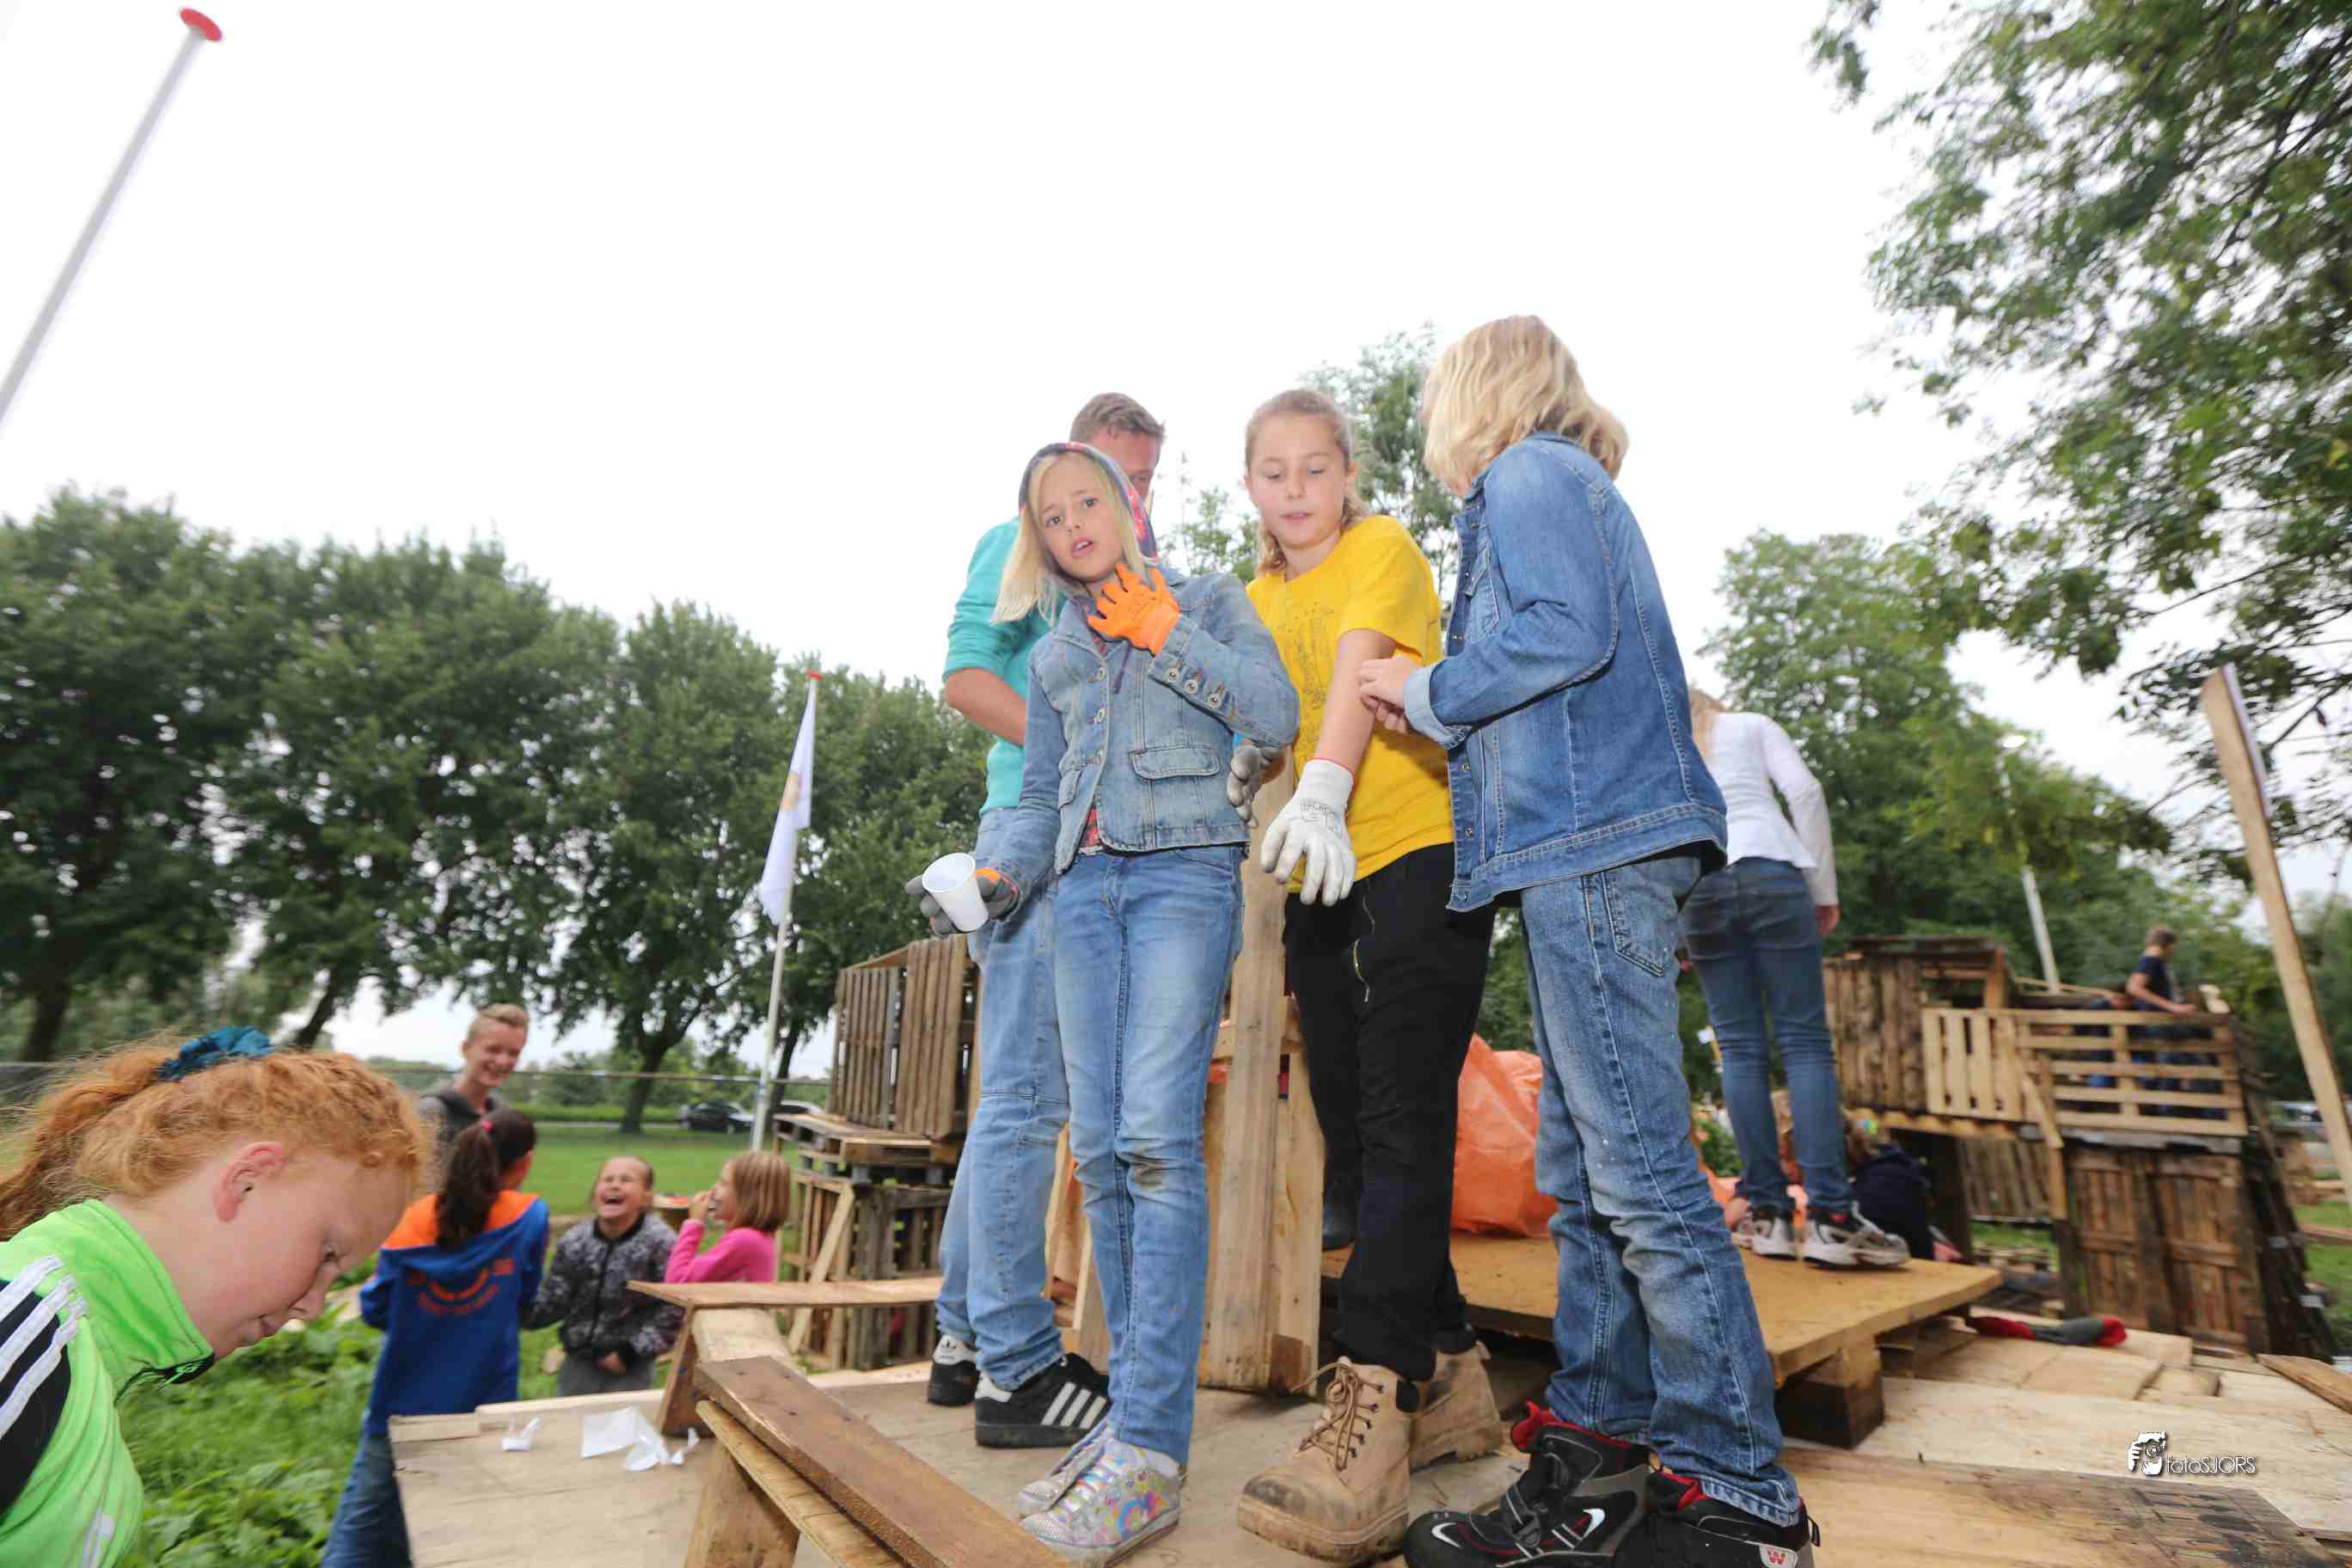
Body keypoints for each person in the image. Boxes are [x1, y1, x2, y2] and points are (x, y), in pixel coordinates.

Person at [1361, 316, 1820, 1567]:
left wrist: (1425, 689)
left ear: (1478, 394)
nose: (1432, 429)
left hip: (1596, 842)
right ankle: (1598, 1460)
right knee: (1581, 1170)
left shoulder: (1530, 475)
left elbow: (1565, 631)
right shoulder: (1561, 484)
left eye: (1434, 402)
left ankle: (1742, 1495)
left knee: (1639, 1176)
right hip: (1584, 845)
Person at [913, 440, 1296, 1564]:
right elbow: (1039, 800)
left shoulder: (1208, 599)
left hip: (1182, 879)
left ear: (1128, 507)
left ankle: (1154, 1451)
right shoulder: (1056, 654)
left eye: (1090, 500)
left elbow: (1274, 714)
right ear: (1039, 541)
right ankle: (1131, 1425)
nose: (1075, 522)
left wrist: (1164, 631)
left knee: (1160, 1148)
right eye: (1053, 514)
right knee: (1104, 1154)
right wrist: (996, 881)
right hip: (1079, 897)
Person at [1228, 388, 1503, 1564]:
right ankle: (1455, 1375)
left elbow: (1356, 674)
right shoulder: (1254, 601)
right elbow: (1254, 712)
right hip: (1319, 870)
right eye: (1274, 472)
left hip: (1419, 849)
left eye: (1315, 468)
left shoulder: (1381, 549)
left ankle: (1376, 1392)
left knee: (1401, 1116)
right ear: (1250, 488)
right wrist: (1242, 760)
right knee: (1353, 1128)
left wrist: (1327, 788)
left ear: (1348, 475)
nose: (1296, 490)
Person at [921, 393, 1165, 1453]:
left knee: (1017, 1102)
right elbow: (965, 677)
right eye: (1114, 475)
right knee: (1027, 1101)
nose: (1125, 499)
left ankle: (963, 1337)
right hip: (1033, 830)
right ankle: (1015, 1368)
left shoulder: (1135, 580)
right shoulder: (1017, 545)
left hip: (1098, 836)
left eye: (1144, 481)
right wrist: (1075, 747)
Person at [0, 1031, 423, 1568]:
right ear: (247, 1181)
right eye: (327, 1254)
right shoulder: (23, 1331)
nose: (313, 1306)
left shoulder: (74, 1347)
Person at [1680, 689, 1906, 1271]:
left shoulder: (1664, 739)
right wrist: (1823, 889)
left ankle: (1768, 1215)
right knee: (1804, 1043)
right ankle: (1831, 1216)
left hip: (1700, 887)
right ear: (1716, 705)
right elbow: (1804, 792)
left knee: (1739, 1050)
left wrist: (1673, 923)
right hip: (1770, 871)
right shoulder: (1752, 724)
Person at [324, 1109, 546, 1568]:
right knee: (462, 1522)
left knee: (364, 1528)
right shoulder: (529, 1218)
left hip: (401, 1400)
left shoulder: (413, 1220)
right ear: (524, 1164)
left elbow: (376, 1308)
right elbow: (525, 1295)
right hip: (484, 1401)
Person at [527, 1155, 683, 1395]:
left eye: (626, 1180)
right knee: (572, 1417)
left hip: (630, 1367)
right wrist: (517, 1310)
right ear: (594, 1194)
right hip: (578, 1361)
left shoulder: (661, 1243)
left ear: (646, 1198)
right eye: (607, 1179)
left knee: (621, 1419)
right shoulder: (575, 1241)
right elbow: (555, 1298)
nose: (614, 1185)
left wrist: (631, 1353)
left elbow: (675, 1305)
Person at [414, 1004, 530, 1171]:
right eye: (493, 1049)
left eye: (514, 1053)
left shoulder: (501, 1113)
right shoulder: (432, 1112)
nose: (503, 1061)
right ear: (465, 1049)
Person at [664, 1151, 788, 1285]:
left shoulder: (744, 1240)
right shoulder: (759, 1238)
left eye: (723, 1183)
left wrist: (694, 1223)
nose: (713, 1189)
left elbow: (676, 1282)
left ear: (748, 1196)